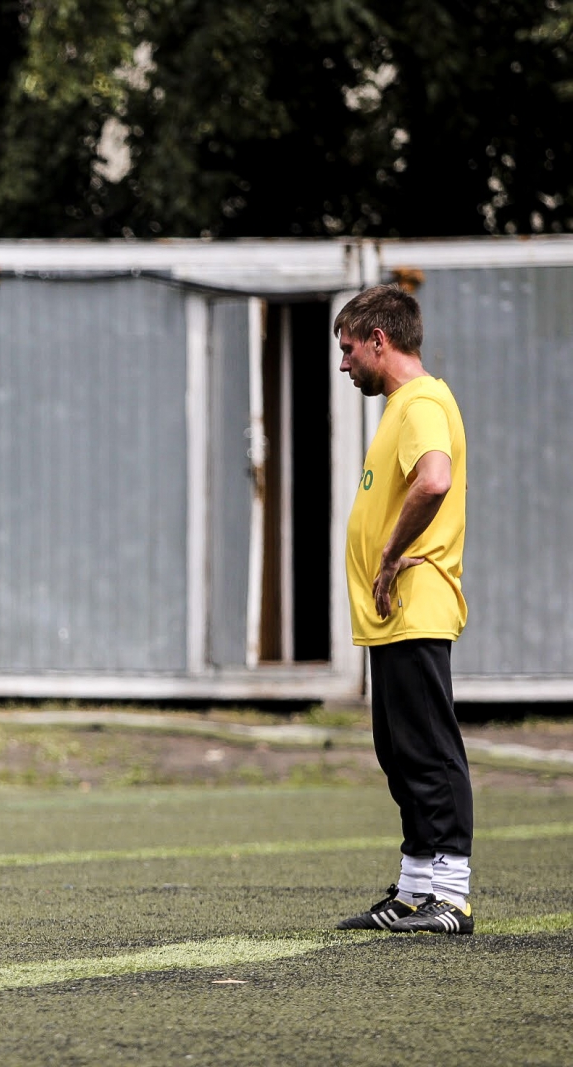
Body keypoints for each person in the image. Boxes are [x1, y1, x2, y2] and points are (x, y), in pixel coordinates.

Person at [333, 284, 473, 935]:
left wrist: (389, 556)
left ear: (379, 341)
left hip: (415, 603)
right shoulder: (399, 406)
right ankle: (417, 888)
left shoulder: (420, 402)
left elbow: (435, 479)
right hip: (392, 616)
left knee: (428, 750)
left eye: (349, 348)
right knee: (399, 750)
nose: (344, 363)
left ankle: (451, 893)